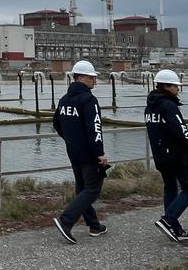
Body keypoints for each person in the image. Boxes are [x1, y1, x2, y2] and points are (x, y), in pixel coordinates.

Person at [52, 60, 109, 244]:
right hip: (89, 153)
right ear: (81, 77)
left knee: (82, 189)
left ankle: (94, 225)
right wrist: (99, 152)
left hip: (73, 151)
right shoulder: (89, 100)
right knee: (92, 190)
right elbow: (95, 128)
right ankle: (66, 220)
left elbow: (57, 124)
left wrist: (70, 140)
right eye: (92, 77)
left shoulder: (64, 100)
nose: (95, 81)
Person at [145, 69, 188, 242]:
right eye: (176, 86)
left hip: (160, 155)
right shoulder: (168, 105)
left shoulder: (150, 107)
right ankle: (168, 220)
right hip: (176, 155)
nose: (178, 89)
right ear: (167, 86)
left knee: (170, 188)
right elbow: (181, 130)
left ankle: (174, 229)